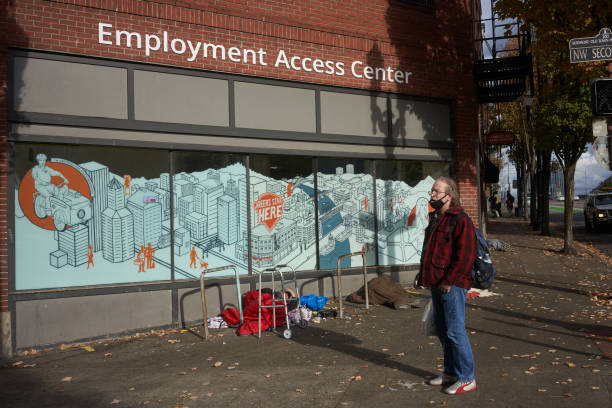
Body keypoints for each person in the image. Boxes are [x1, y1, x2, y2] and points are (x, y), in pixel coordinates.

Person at [416, 177, 477, 395]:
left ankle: (467, 377)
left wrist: (449, 281)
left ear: (448, 196)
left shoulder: (460, 220)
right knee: (443, 331)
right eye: (432, 191)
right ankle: (451, 373)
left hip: (452, 285)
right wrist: (423, 277)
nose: (432, 195)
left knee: (455, 331)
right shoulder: (436, 218)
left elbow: (465, 256)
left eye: (436, 191)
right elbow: (430, 252)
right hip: (437, 283)